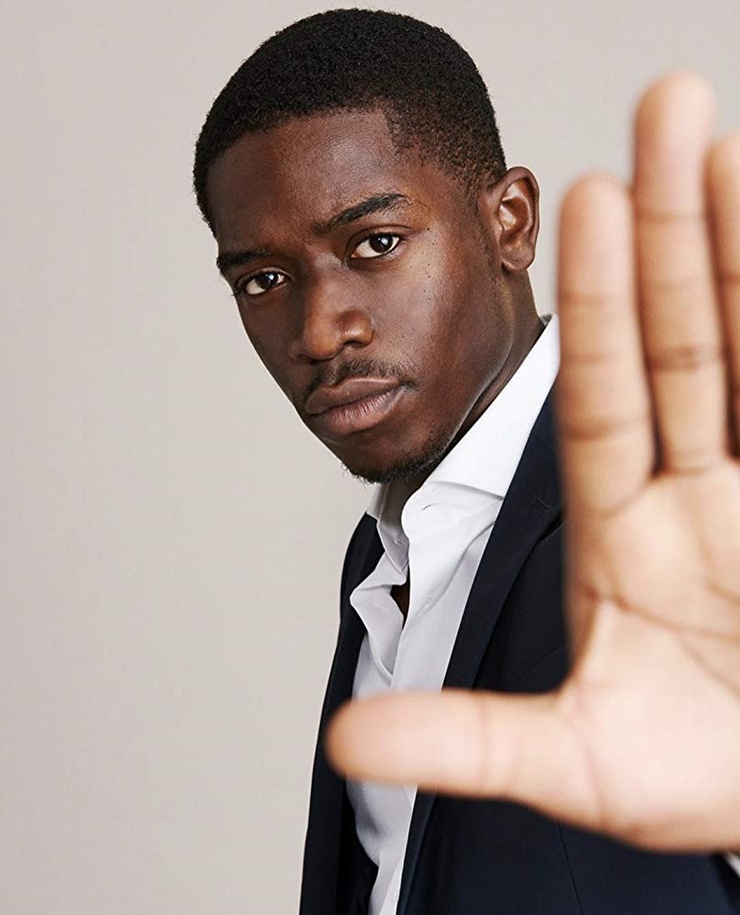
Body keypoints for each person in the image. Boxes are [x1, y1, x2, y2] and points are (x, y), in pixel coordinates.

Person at [193, 9, 740, 914]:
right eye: (264, 280)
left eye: (376, 243)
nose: (320, 330)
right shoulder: (385, 558)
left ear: (509, 223)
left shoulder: (681, 512)